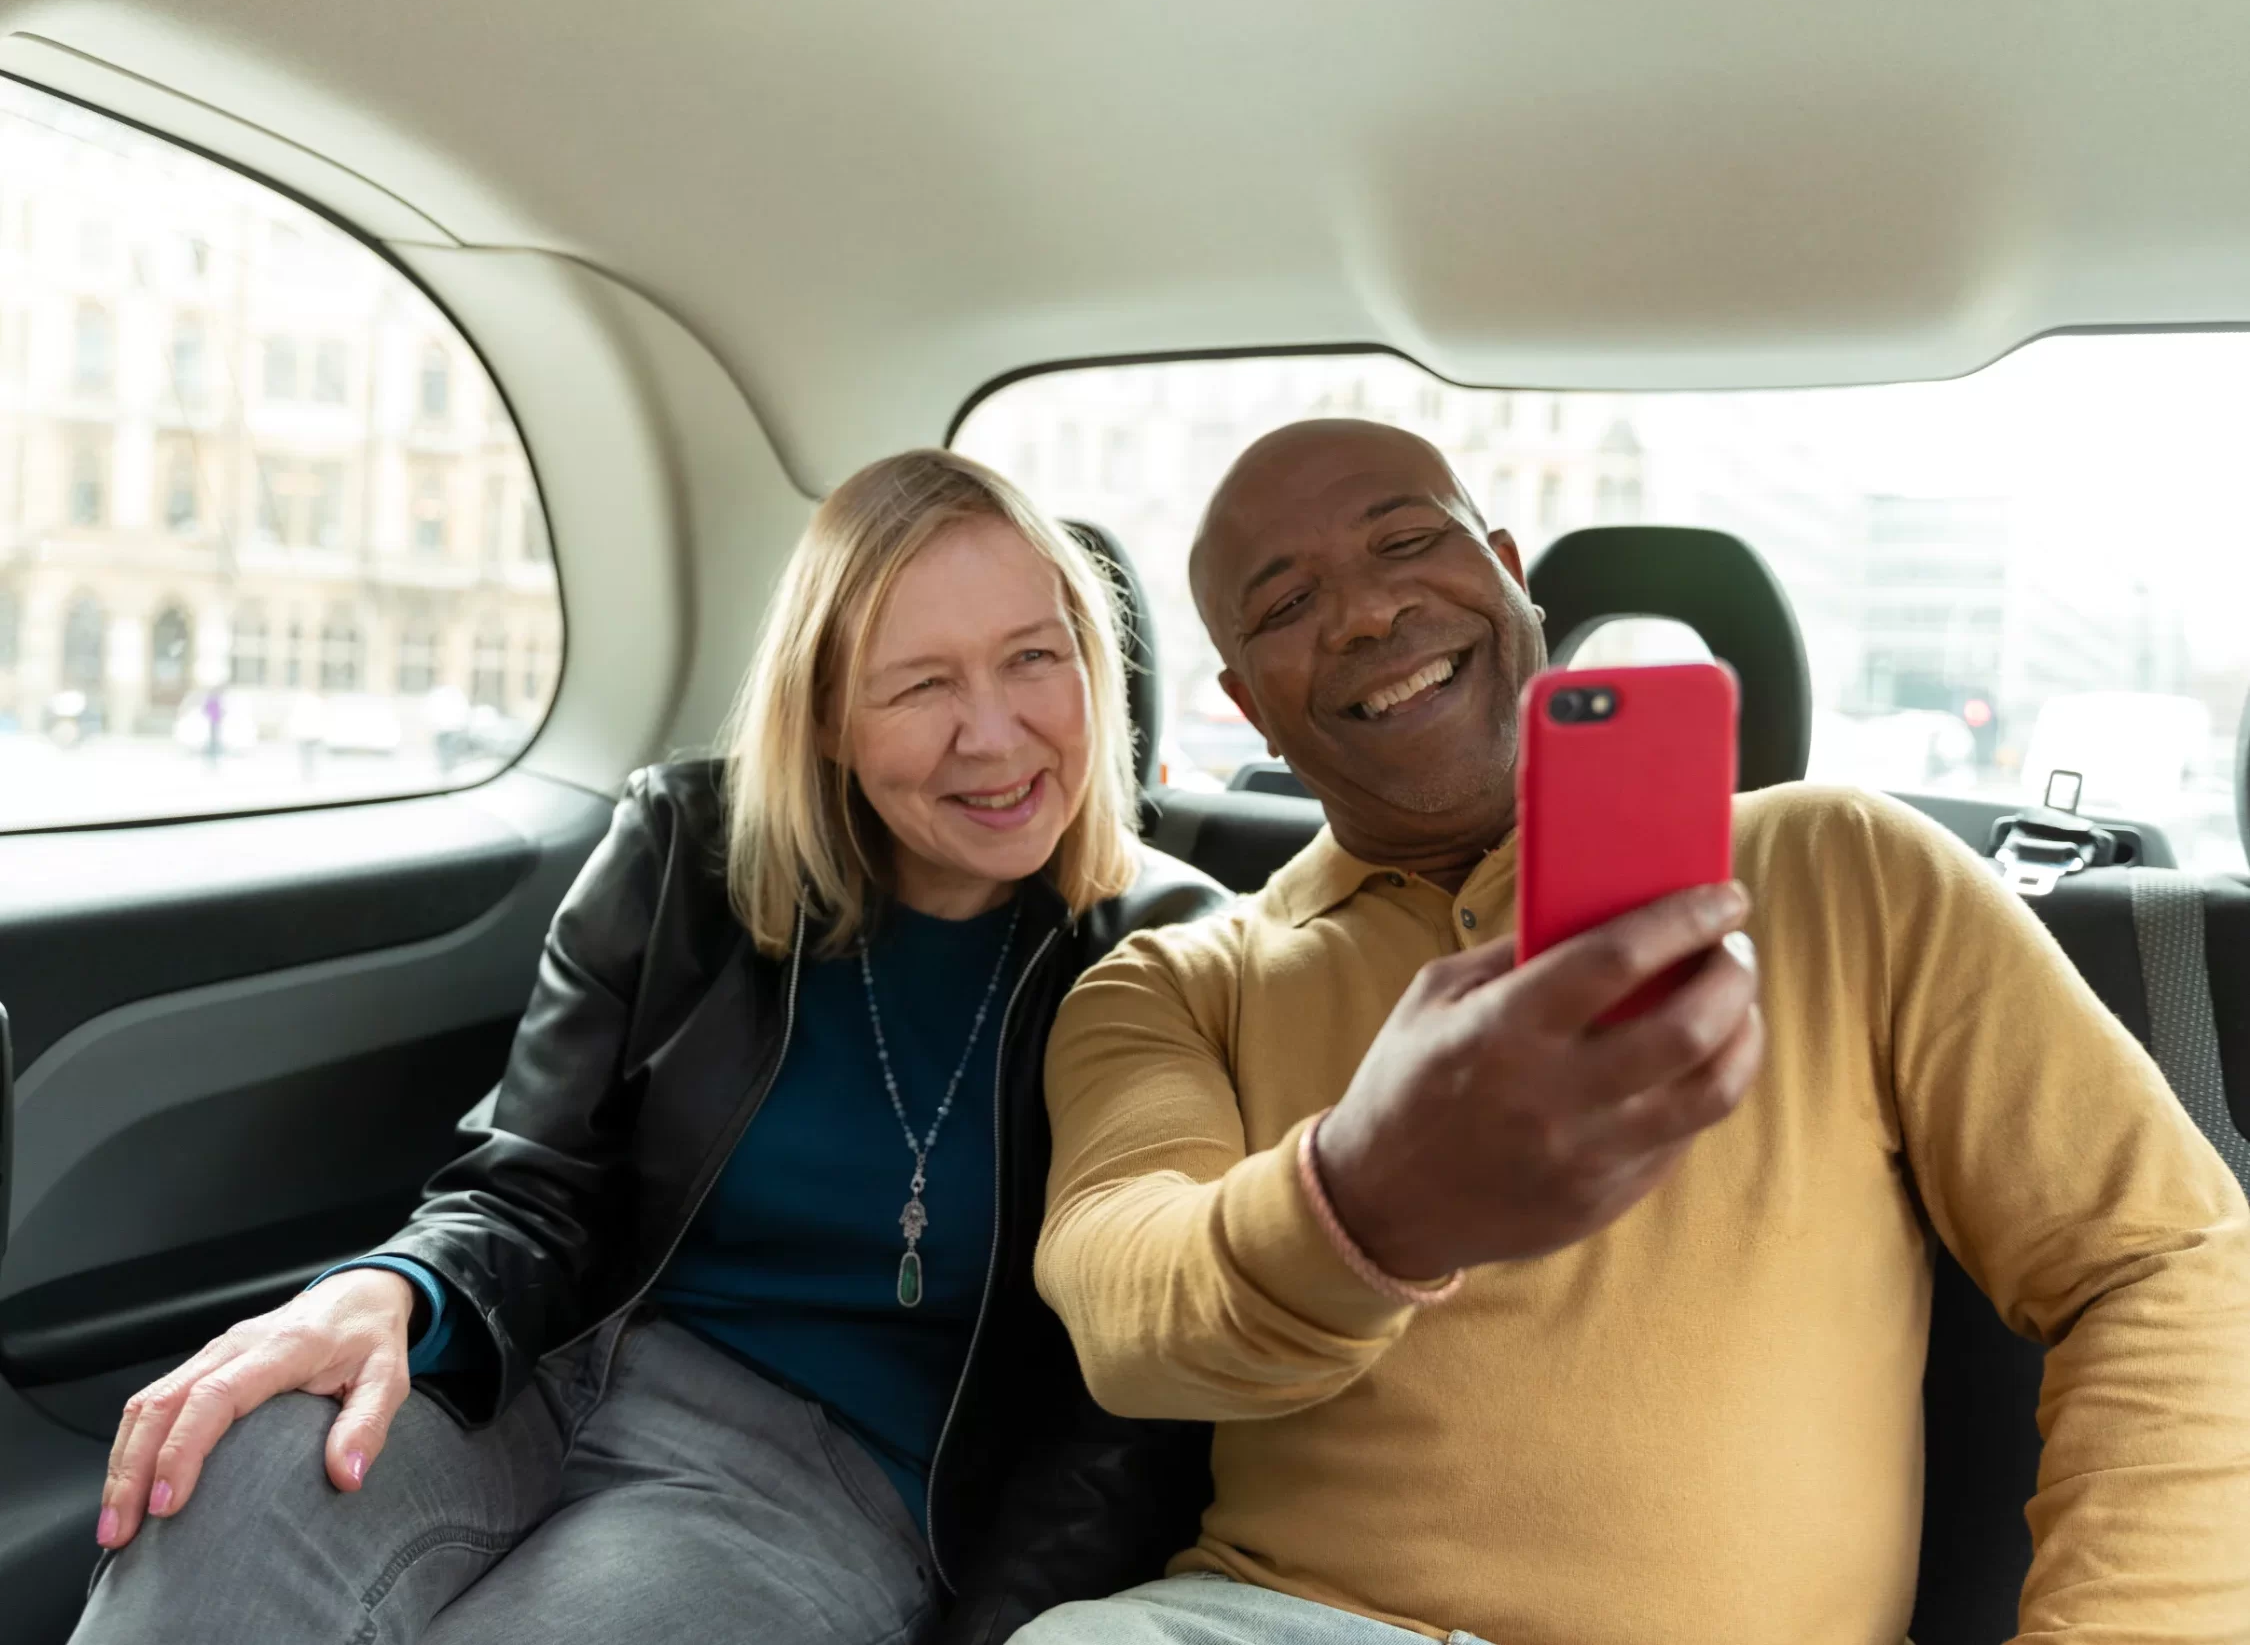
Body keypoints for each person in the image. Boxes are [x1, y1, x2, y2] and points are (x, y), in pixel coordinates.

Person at [1017, 419, 2250, 1645]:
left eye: (1407, 540)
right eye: (1285, 606)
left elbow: (2166, 1257)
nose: (1365, 616)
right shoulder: (1172, 982)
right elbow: (1126, 1303)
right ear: (1246, 704)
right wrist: (1362, 1200)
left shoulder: (1846, 866)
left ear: (1510, 574)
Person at [74, 449, 1226, 1645]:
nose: (991, 734)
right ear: (828, 716)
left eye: (1033, 657)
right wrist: (391, 1286)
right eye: (921, 683)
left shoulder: (1168, 949)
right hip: (549, 1370)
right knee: (227, 1464)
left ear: (1094, 663)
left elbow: (1131, 1403)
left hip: (825, 1480)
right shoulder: (689, 846)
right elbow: (527, 1185)